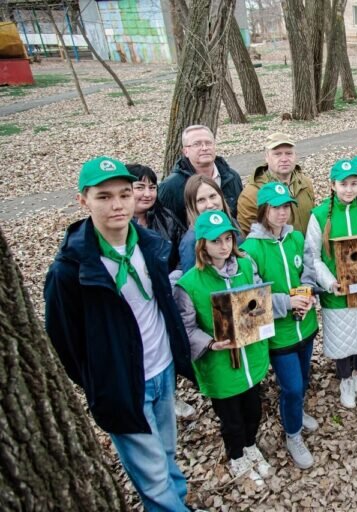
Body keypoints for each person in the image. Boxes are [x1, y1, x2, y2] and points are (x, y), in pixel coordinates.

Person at [44, 156, 194, 511]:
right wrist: (103, 381)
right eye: (103, 196)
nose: (117, 205)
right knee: (153, 476)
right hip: (124, 386)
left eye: (124, 194)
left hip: (162, 369)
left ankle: (181, 504)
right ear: (83, 201)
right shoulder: (71, 270)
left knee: (168, 455)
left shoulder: (148, 244)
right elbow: (65, 340)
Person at [174, 211, 271, 483]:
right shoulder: (189, 283)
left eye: (228, 238)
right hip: (221, 368)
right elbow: (186, 328)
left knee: (253, 410)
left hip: (250, 358)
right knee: (231, 419)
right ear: (202, 244)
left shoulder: (245, 266)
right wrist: (209, 343)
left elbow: (258, 302)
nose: (224, 246)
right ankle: (237, 456)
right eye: (216, 241)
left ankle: (251, 446)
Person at [239, 182, 320, 469]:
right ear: (263, 210)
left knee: (304, 379)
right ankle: (293, 434)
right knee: (292, 386)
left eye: (286, 206)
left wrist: (307, 293)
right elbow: (252, 299)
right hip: (279, 334)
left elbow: (308, 271)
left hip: (306, 326)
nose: (282, 213)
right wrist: (288, 302)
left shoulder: (297, 238)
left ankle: (295, 413)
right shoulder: (250, 249)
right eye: (275, 207)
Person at [306, 159, 357, 407]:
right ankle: (345, 380)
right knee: (342, 340)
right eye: (343, 184)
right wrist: (330, 283)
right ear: (332, 185)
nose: (349, 189)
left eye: (353, 184)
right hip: (337, 294)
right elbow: (313, 257)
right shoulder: (319, 215)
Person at [127, 163, 196, 420]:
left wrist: (173, 278)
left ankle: (172, 393)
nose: (147, 193)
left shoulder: (164, 217)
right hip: (137, 299)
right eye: (140, 187)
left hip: (169, 290)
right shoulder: (122, 227)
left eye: (152, 187)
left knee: (169, 340)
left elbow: (182, 251)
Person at [159, 125, 244, 226]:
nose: (204, 148)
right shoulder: (171, 186)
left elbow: (239, 216)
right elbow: (167, 227)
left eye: (208, 143)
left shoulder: (232, 177)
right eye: (197, 144)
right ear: (185, 151)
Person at [237, 133, 315, 235]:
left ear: (296, 156)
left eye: (289, 153)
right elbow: (251, 236)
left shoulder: (305, 183)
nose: (284, 159)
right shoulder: (252, 193)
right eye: (277, 154)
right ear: (267, 157)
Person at [178, 175, 241, 273]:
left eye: (212, 196)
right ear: (191, 206)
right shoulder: (190, 241)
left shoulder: (232, 223)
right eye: (201, 200)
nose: (210, 204)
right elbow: (192, 281)